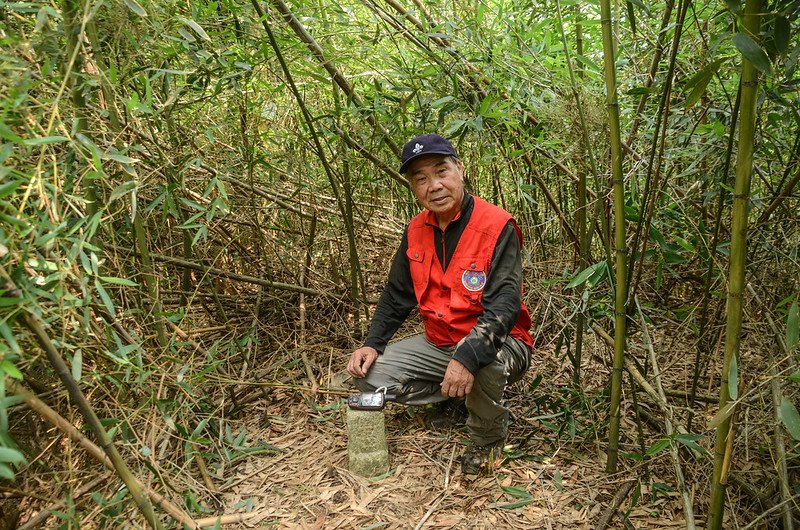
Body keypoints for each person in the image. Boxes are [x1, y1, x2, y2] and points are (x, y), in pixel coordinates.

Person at [347, 133, 533, 475]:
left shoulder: (496, 225)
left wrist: (467, 358)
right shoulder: (416, 229)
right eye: (421, 179)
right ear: (413, 188)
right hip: (439, 341)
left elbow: (504, 307)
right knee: (368, 375)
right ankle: (455, 397)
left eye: (441, 171)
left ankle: (486, 439)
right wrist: (372, 343)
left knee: (484, 365)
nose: (434, 186)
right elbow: (396, 294)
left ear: (460, 170)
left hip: (500, 341)